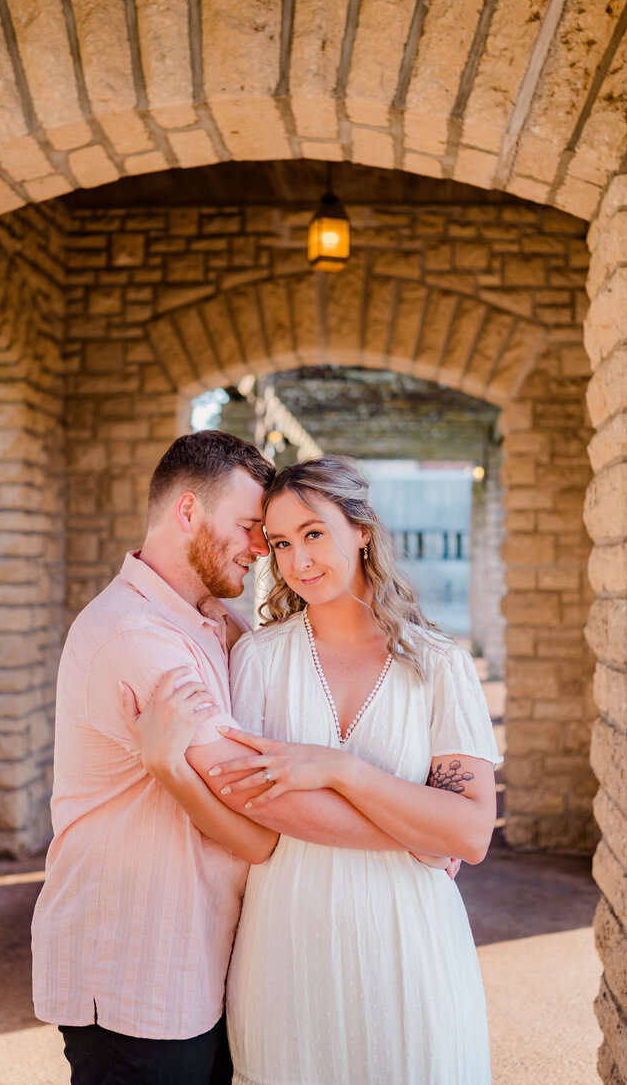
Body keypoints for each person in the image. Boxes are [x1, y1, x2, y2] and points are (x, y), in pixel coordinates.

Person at [34, 432, 452, 1085]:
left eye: (284, 536)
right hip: (137, 975)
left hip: (201, 968)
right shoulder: (137, 638)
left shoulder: (208, 622)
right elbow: (263, 813)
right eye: (255, 529)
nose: (266, 551)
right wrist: (425, 830)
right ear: (188, 514)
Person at [197, 456, 501, 1085]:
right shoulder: (256, 661)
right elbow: (257, 806)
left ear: (362, 530)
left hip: (411, 952)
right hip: (288, 951)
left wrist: (340, 770)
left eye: (314, 533)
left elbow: (471, 833)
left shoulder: (439, 666)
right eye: (280, 543)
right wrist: (423, 828)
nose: (299, 560)